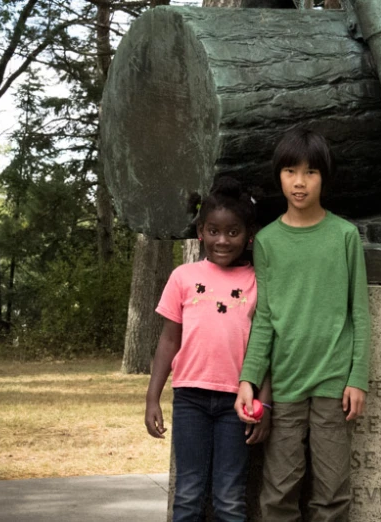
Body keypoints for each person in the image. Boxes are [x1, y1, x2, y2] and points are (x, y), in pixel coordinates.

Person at [235, 128, 371, 522]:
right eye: (290, 171)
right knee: (278, 493)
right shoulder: (267, 241)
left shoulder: (344, 235)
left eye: (310, 172)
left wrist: (358, 377)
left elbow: (359, 312)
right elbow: (264, 318)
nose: (299, 182)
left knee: (332, 495)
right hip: (287, 382)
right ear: (278, 175)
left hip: (333, 382)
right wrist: (249, 378)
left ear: (324, 177)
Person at [145, 177, 271, 522]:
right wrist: (152, 397)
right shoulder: (183, 277)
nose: (222, 240)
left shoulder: (257, 281)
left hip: (238, 403)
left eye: (233, 232)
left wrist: (266, 402)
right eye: (213, 231)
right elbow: (169, 340)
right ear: (200, 231)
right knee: (188, 493)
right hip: (189, 399)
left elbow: (266, 347)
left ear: (249, 235)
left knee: (229, 497)